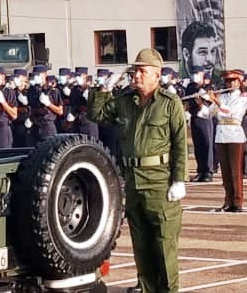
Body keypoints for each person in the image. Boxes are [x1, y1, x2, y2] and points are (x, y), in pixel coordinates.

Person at [88, 48, 187, 293]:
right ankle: (146, 288)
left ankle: (168, 290)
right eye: (135, 71)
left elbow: (180, 143)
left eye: (142, 71)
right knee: (141, 243)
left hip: (159, 181)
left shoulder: (168, 103)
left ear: (157, 75)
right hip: (132, 180)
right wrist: (104, 89)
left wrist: (179, 180)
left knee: (164, 243)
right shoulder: (125, 101)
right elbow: (96, 114)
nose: (136, 76)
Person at [209, 70, 247, 212]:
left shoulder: (243, 98)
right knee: (225, 171)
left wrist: (217, 101)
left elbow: (231, 112)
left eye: (232, 81)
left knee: (235, 171)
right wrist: (202, 102)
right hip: (221, 135)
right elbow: (208, 114)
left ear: (238, 82)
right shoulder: (222, 96)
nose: (229, 83)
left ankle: (237, 202)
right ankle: (228, 201)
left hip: (235, 134)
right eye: (227, 81)